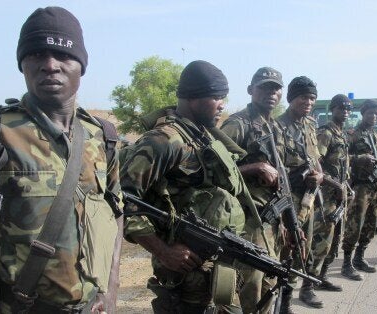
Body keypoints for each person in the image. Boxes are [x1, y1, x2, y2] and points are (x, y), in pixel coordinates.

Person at [0, 7, 123, 313]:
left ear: (81, 65)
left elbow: (115, 210)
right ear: (22, 64)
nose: (50, 65)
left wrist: (111, 286)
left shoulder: (102, 136)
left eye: (63, 55)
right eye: (37, 54)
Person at [120, 60, 257, 313]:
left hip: (213, 260)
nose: (222, 105)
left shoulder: (201, 135)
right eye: (217, 97)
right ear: (194, 97)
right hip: (183, 271)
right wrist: (164, 251)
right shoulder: (164, 140)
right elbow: (123, 200)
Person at [219, 66, 286, 313]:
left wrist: (288, 223)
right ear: (250, 90)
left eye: (276, 89)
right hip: (249, 220)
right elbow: (214, 168)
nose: (271, 93)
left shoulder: (275, 127)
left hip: (273, 220)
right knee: (251, 286)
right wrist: (255, 167)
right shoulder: (238, 124)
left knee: (271, 281)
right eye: (264, 88)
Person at [276, 76, 325, 311]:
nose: (308, 101)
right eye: (303, 97)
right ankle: (281, 300)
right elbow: (272, 167)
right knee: (287, 250)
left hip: (309, 198)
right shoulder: (277, 126)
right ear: (291, 98)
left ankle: (298, 293)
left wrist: (321, 176)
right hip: (289, 200)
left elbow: (316, 157)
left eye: (312, 98)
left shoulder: (310, 124)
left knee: (304, 250)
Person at [310, 94, 353, 293]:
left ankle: (323, 277)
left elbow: (343, 165)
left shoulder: (342, 134)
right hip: (325, 197)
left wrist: (346, 186)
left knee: (335, 240)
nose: (344, 113)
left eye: (347, 110)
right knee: (321, 243)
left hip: (339, 196)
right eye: (340, 109)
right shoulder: (325, 133)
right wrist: (336, 185)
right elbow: (315, 165)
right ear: (332, 109)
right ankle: (307, 288)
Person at [340, 99, 377, 280]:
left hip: (375, 186)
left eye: (376, 114)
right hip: (359, 187)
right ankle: (346, 263)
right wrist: (359, 158)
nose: (373, 116)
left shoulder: (375, 136)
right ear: (362, 114)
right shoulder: (352, 135)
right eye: (370, 113)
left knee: (370, 224)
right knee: (354, 225)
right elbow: (342, 158)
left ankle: (360, 257)